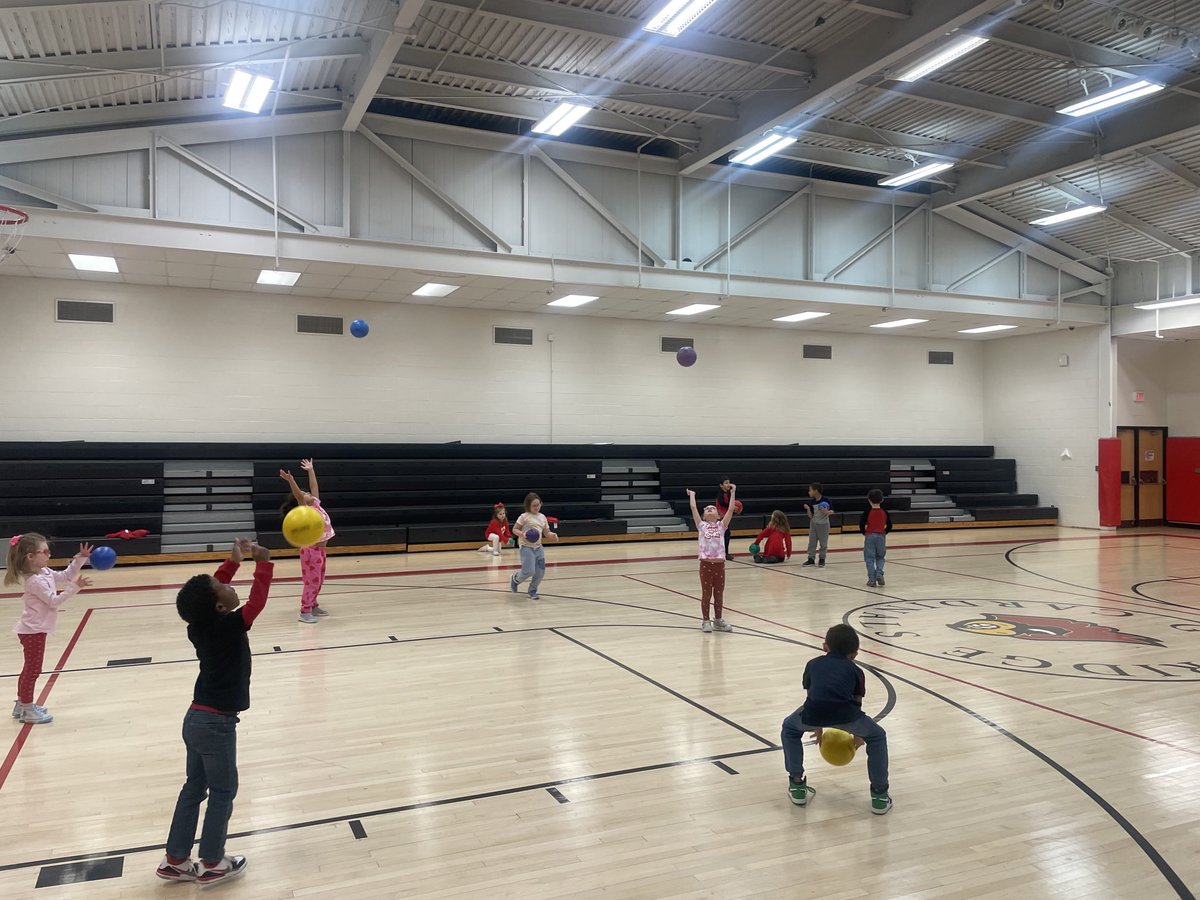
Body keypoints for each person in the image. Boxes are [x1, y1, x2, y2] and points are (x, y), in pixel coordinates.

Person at [157, 538, 273, 886]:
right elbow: (256, 602)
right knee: (223, 792)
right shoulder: (228, 625)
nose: (227, 584)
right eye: (224, 586)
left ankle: (176, 860)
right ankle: (212, 862)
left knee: (194, 788)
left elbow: (207, 596)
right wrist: (263, 564)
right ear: (221, 607)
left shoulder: (199, 624)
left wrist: (233, 562)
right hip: (216, 724)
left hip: (195, 719)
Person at [780, 624, 891, 815]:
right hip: (847, 714)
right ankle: (880, 796)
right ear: (855, 654)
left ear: (825, 647)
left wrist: (817, 726)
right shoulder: (857, 671)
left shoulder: (812, 664)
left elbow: (812, 696)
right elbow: (857, 703)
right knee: (877, 736)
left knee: (789, 729)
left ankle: (797, 785)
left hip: (813, 712)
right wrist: (857, 734)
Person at [6, 534, 92, 725]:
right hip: (33, 631)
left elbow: (65, 576)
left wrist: (80, 559)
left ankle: (21, 705)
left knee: (29, 669)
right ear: (30, 557)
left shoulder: (43, 572)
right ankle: (27, 710)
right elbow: (53, 601)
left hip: (34, 629)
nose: (49, 554)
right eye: (44, 551)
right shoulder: (35, 582)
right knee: (33, 670)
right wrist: (74, 588)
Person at [279, 459, 334, 623]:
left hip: (321, 550)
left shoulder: (316, 504)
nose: (308, 494)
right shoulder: (305, 508)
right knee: (312, 581)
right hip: (311, 550)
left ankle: (313, 604)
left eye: (307, 493)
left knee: (320, 580)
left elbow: (314, 487)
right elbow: (297, 494)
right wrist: (291, 480)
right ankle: (305, 611)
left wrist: (311, 470)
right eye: (305, 494)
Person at [686, 486, 735, 633]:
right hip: (706, 565)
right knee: (706, 594)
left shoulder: (722, 526)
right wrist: (692, 495)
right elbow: (693, 508)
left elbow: (731, 509)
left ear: (718, 515)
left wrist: (732, 493)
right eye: (706, 509)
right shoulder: (701, 526)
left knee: (719, 594)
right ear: (703, 516)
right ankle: (706, 620)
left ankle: (718, 620)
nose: (709, 509)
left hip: (720, 565)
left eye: (712, 508)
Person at [510, 493, 558, 600]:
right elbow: (514, 529)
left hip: (538, 547)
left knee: (540, 571)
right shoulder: (524, 517)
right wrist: (523, 534)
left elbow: (546, 532)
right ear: (528, 506)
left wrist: (552, 536)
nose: (536, 507)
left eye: (538, 504)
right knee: (529, 571)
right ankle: (515, 579)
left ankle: (532, 590)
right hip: (526, 546)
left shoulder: (542, 517)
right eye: (534, 505)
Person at [859, 489, 893, 587]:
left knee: (869, 558)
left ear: (869, 500)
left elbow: (861, 523)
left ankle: (872, 579)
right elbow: (890, 525)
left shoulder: (867, 511)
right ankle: (879, 573)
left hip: (870, 535)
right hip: (881, 536)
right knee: (880, 557)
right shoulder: (884, 512)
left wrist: (864, 532)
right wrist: (884, 532)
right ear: (882, 500)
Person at [802, 483, 833, 567]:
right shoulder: (812, 502)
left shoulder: (825, 500)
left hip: (823, 525)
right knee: (812, 542)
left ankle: (822, 559)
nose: (809, 492)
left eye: (810, 490)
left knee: (823, 543)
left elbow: (832, 511)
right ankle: (811, 559)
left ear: (816, 491)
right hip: (813, 524)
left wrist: (827, 512)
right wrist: (808, 509)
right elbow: (811, 516)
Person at [715, 478, 740, 559]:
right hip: (720, 517)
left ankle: (725, 552)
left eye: (729, 482)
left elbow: (731, 503)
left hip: (726, 516)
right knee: (725, 535)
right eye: (726, 483)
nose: (728, 484)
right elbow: (722, 503)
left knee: (726, 535)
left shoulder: (728, 494)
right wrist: (731, 506)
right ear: (721, 485)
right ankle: (724, 553)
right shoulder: (720, 494)